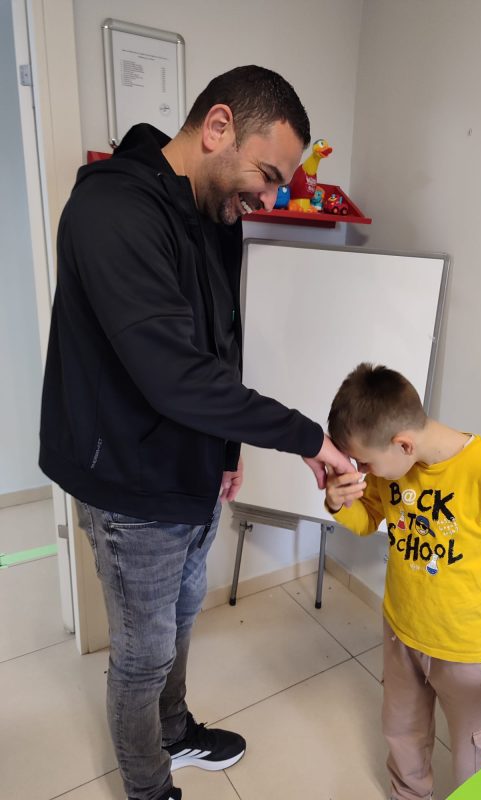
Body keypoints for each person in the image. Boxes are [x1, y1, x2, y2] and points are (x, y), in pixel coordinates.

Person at [39, 65, 356, 800]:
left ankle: (175, 730)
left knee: (182, 622)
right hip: (129, 484)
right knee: (143, 657)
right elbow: (174, 376)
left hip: (193, 470)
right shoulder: (113, 210)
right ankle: (149, 788)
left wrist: (228, 448)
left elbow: (222, 340)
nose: (269, 199)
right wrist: (308, 438)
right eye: (267, 175)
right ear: (218, 128)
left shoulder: (215, 213)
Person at [324, 363, 481, 799]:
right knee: (402, 732)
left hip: (466, 651)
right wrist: (338, 502)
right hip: (402, 631)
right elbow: (368, 517)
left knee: (477, 750)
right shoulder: (392, 468)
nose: (362, 470)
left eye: (365, 461)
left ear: (403, 444)